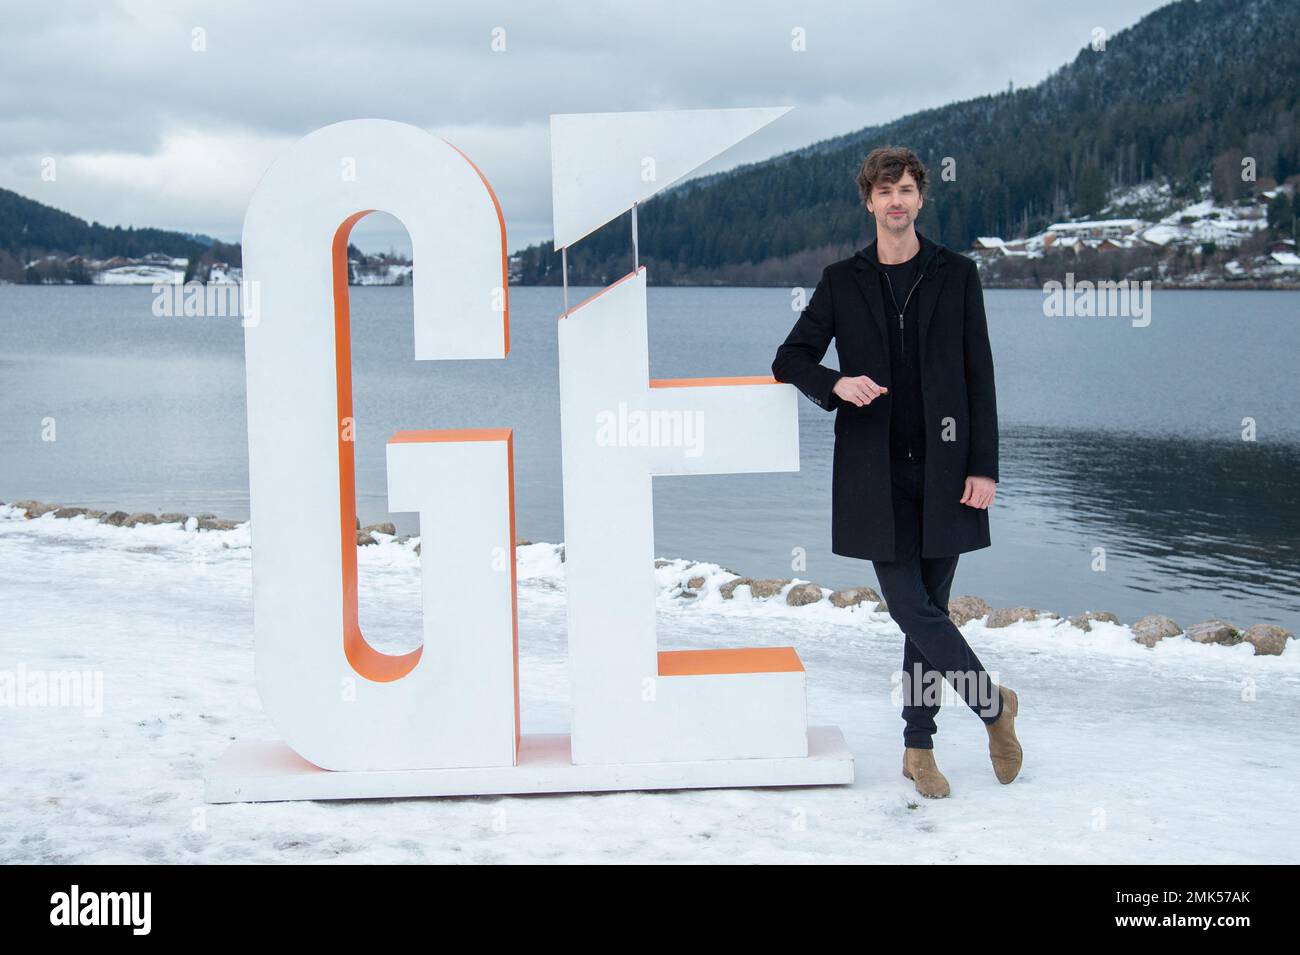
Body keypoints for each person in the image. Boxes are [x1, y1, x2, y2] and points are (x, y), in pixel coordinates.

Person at [771, 145, 1022, 798]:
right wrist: (838, 383)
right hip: (871, 474)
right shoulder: (840, 280)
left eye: (907, 189)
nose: (897, 201)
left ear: (920, 199)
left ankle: (918, 748)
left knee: (926, 612)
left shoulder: (957, 275)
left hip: (947, 472)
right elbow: (789, 359)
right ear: (868, 201)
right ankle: (994, 706)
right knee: (911, 606)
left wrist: (984, 467)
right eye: (886, 191)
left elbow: (980, 378)